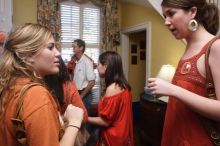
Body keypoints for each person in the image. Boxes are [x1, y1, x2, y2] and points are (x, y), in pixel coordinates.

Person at [147, 0, 220, 145]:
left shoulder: (216, 47)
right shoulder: (189, 46)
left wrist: (173, 90)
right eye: (164, 16)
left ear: (192, 12)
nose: (166, 22)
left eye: (171, 14)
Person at [0, 23, 84, 146]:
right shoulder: (36, 95)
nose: (58, 53)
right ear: (28, 54)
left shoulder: (10, 86)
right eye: (50, 47)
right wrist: (74, 123)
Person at [88, 51, 134, 146]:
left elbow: (105, 122)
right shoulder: (123, 85)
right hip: (123, 134)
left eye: (99, 63)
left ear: (106, 66)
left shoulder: (112, 89)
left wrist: (84, 118)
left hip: (113, 137)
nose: (97, 66)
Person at [67, 39, 95, 116]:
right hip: (76, 93)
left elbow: (92, 82)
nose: (73, 48)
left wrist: (81, 95)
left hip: (85, 94)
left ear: (81, 48)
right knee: (77, 118)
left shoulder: (87, 61)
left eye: (74, 47)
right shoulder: (74, 61)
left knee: (84, 118)